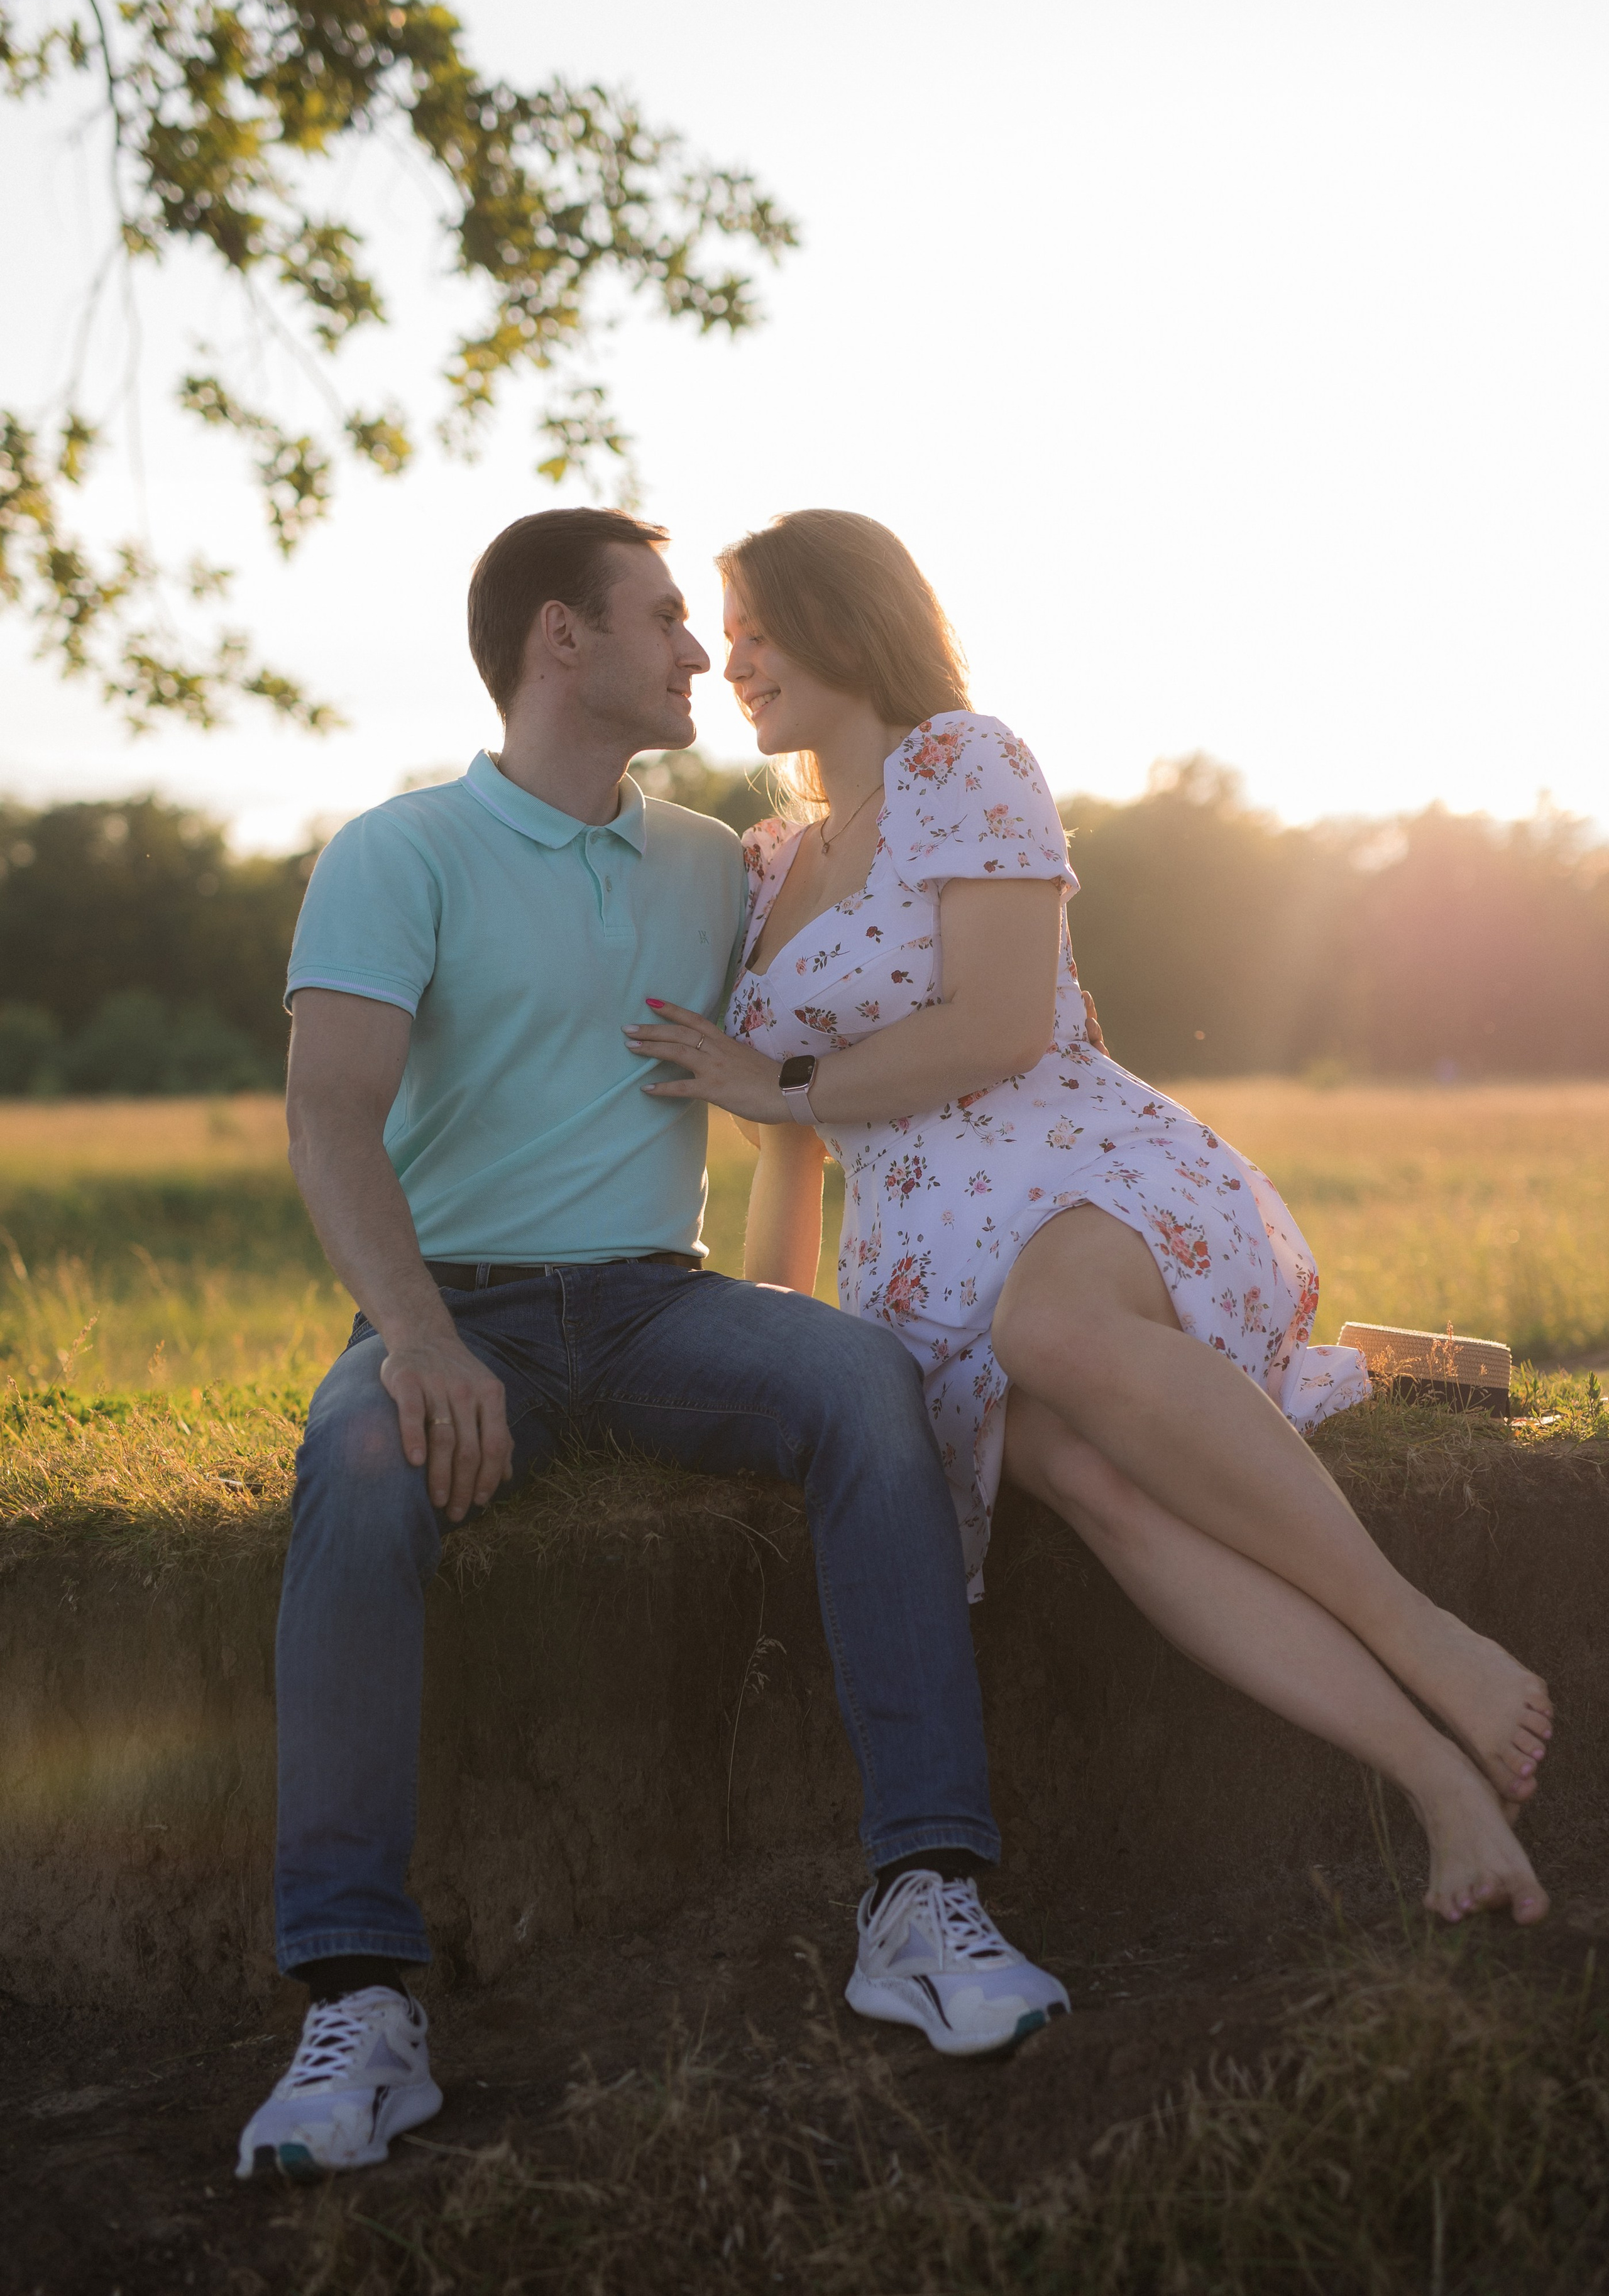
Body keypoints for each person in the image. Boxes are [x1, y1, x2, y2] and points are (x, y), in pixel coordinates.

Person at [236, 508, 1068, 2185]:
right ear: (563, 640)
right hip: (457, 1300)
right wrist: (415, 1336)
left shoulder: (718, 862)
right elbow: (328, 1119)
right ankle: (359, 1996)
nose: (703, 653)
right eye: (669, 619)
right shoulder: (396, 854)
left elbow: (884, 970)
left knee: (859, 1382)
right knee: (354, 1464)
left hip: (654, 1301)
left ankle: (924, 1893)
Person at [623, 507, 1555, 1934]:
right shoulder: (762, 864)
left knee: (1050, 1324)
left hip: (1078, 1173)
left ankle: (1431, 1639)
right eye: (722, 633)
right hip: (918, 1269)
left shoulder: (964, 760)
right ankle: (1438, 1784)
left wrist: (789, 1082)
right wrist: (778, 1353)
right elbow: (786, 1152)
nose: (730, 660)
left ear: (843, 617)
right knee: (1092, 1479)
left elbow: (997, 1023)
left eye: (754, 626)